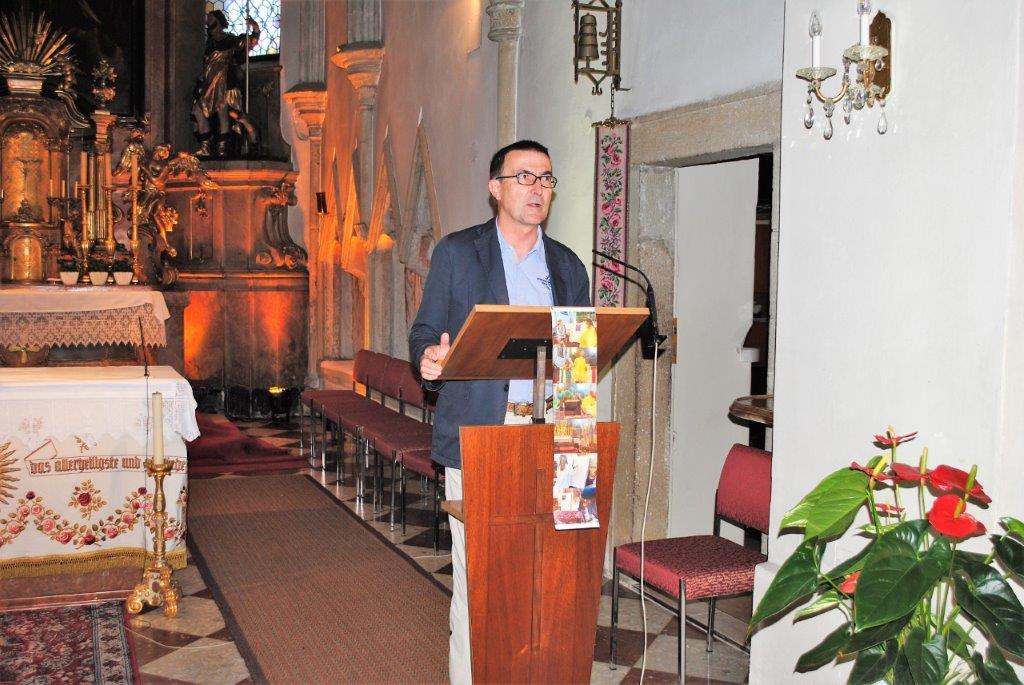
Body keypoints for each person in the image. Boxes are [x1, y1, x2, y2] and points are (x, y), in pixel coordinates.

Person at [409, 140, 590, 683]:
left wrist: (578, 442)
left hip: (562, 435)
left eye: (546, 179)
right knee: (483, 579)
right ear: (496, 188)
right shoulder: (459, 253)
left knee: (555, 574)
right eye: (524, 176)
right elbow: (425, 330)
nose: (538, 188)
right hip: (485, 434)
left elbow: (579, 358)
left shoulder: (568, 265)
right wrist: (430, 358)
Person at [191, 10, 260, 157]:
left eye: (210, 19)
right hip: (209, 82)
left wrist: (255, 28)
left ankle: (222, 148)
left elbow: (250, 42)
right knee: (198, 110)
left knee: (223, 111)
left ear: (218, 22)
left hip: (225, 81)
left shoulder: (230, 40)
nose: (207, 22)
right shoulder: (209, 43)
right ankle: (205, 145)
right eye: (207, 20)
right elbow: (207, 65)